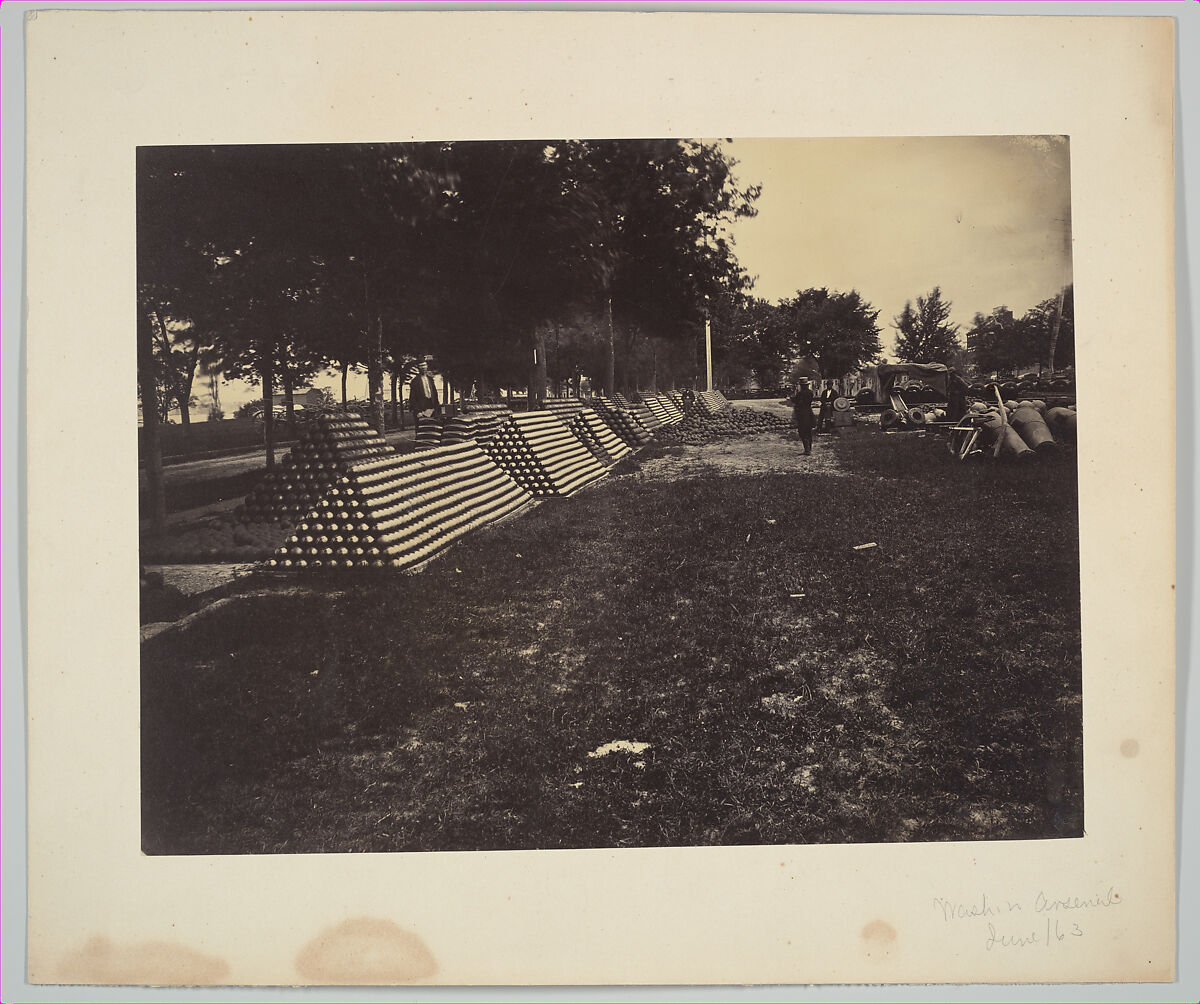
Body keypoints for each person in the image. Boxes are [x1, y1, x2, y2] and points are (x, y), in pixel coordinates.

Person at [407, 359, 441, 432]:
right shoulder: (415, 381)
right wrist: (417, 411)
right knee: (421, 430)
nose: (423, 368)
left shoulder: (430, 379)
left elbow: (435, 394)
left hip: (432, 407)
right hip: (421, 408)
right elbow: (413, 398)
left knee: (433, 429)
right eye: (421, 367)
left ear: (427, 367)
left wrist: (437, 408)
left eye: (424, 366)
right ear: (419, 368)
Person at [785, 379, 816, 454]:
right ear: (807, 385)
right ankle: (809, 448)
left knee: (802, 431)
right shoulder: (810, 393)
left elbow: (797, 402)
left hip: (802, 414)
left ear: (801, 386)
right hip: (809, 412)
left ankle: (807, 450)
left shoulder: (800, 393)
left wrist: (790, 398)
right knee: (809, 431)